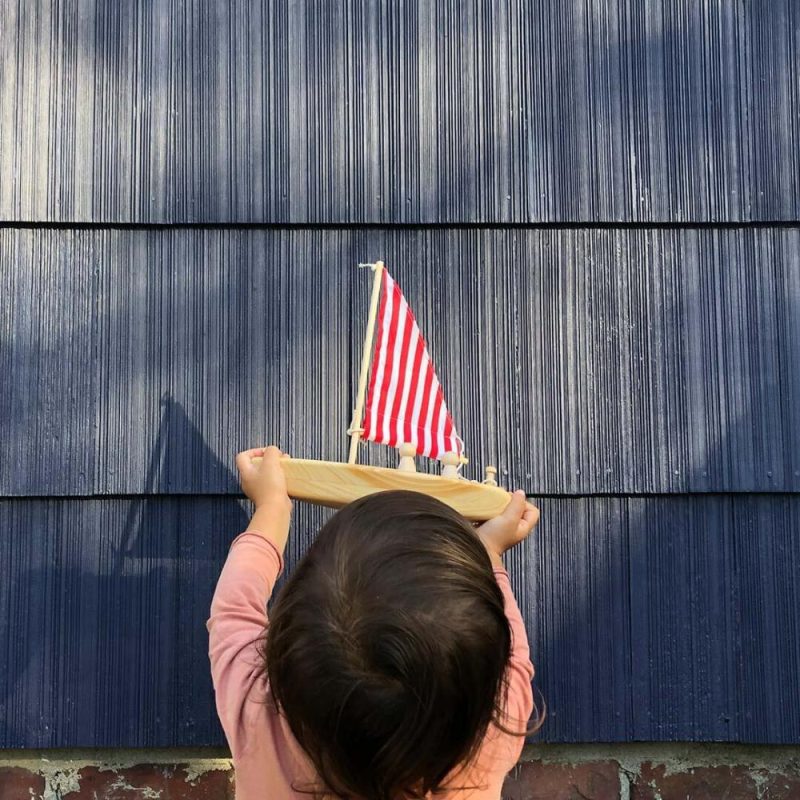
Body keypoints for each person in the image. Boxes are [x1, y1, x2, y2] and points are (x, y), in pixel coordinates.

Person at [208, 446, 542, 800]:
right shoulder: (493, 730)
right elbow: (513, 656)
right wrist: (488, 552)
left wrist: (272, 508)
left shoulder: (257, 709)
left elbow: (233, 610)